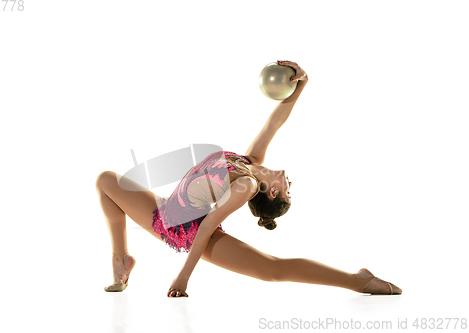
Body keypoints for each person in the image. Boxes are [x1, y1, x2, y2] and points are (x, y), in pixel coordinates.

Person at [95, 60, 402, 297]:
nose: (290, 183)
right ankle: (121, 260)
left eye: (288, 192)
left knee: (271, 269)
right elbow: (275, 122)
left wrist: (183, 277)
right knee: (106, 181)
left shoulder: (246, 185)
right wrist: (302, 85)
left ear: (271, 193)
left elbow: (205, 229)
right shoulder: (250, 163)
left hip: (184, 231)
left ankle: (357, 281)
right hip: (163, 211)